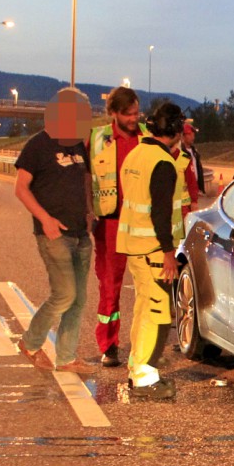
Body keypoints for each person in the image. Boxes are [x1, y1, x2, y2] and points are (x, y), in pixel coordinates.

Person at [14, 88, 98, 375]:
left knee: (79, 299)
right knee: (64, 295)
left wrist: (88, 209)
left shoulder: (76, 145)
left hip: (80, 233)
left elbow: (84, 179)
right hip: (54, 234)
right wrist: (45, 220)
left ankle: (66, 357)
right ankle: (30, 342)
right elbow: (20, 188)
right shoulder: (38, 145)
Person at [117, 101, 192, 400]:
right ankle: (145, 378)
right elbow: (160, 213)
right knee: (156, 314)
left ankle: (136, 365)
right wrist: (168, 253)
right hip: (152, 250)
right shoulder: (163, 164)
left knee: (141, 309)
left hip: (135, 246)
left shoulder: (135, 155)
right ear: (174, 130)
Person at [88, 86, 147, 368]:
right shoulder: (97, 139)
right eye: (129, 113)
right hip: (109, 223)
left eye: (137, 112)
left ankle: (145, 346)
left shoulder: (149, 138)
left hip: (142, 223)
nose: (135, 118)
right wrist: (87, 212)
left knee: (148, 286)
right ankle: (109, 345)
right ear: (114, 113)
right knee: (110, 287)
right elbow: (84, 177)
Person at [180, 121, 204, 213]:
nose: (193, 137)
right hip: (185, 195)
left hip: (194, 189)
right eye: (190, 134)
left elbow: (198, 170)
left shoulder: (194, 152)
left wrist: (200, 188)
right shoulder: (181, 153)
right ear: (183, 136)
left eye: (193, 134)